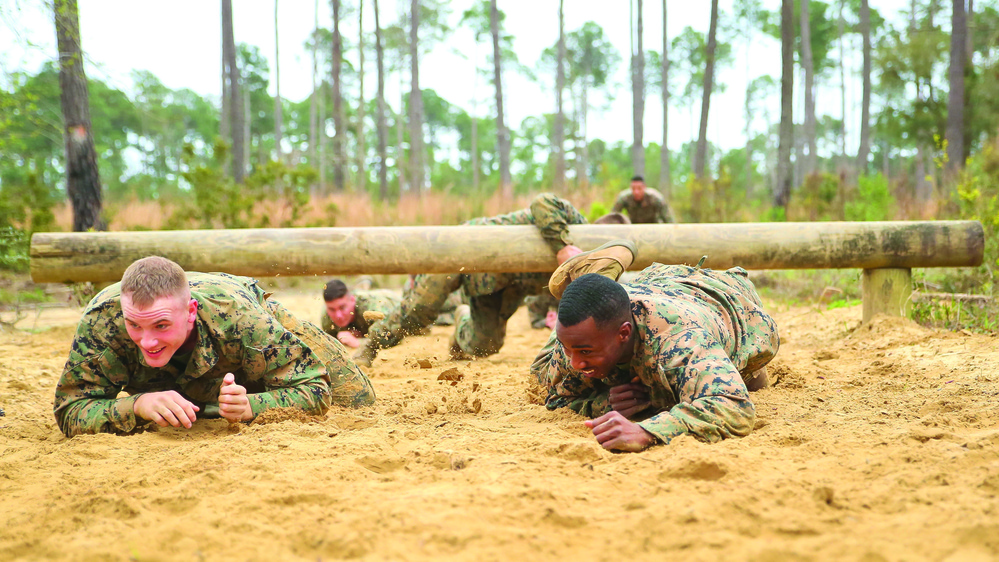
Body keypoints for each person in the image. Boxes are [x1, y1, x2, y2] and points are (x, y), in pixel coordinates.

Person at [53, 256, 376, 437]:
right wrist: (137, 405)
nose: (147, 341)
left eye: (161, 325)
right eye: (134, 325)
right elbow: (71, 409)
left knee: (358, 397)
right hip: (192, 366)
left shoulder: (242, 320)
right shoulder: (102, 322)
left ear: (190, 312)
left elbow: (315, 389)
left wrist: (252, 406)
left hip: (241, 311)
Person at [531, 243, 780, 453]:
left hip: (720, 297)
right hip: (650, 287)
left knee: (753, 382)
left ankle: (592, 278)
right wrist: (604, 403)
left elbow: (734, 407)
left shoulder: (680, 340)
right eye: (567, 349)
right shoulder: (583, 343)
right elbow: (556, 398)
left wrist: (647, 430)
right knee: (541, 373)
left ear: (624, 334)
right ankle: (591, 281)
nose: (575, 362)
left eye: (585, 352)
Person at [354, 192, 589, 366]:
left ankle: (461, 323)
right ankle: (370, 346)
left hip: (502, 285)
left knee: (486, 344)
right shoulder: (575, 223)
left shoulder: (593, 270)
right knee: (419, 308)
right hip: (466, 248)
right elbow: (542, 201)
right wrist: (562, 247)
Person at [320, 278, 463, 347]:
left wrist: (358, 342)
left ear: (352, 300)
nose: (337, 315)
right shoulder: (327, 318)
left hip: (411, 306)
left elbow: (393, 334)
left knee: (451, 302)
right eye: (332, 309)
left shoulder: (373, 308)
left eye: (342, 308)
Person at [611, 175, 676, 224]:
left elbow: (668, 218)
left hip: (653, 226)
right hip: (633, 227)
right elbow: (613, 216)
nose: (636, 192)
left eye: (639, 188)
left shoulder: (655, 197)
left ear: (644, 187)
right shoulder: (624, 198)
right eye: (633, 189)